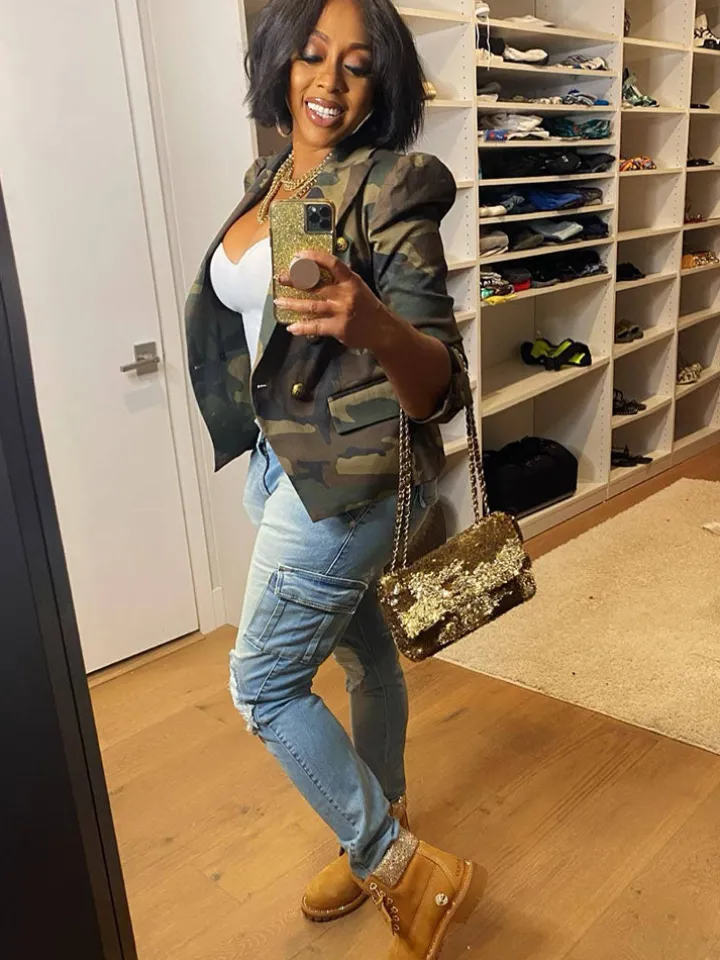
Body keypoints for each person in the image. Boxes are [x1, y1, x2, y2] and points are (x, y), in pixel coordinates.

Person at [185, 0, 486, 955]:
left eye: (356, 64)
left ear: (382, 81)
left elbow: (440, 385)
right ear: (279, 62)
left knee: (263, 682)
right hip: (282, 464)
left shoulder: (394, 185)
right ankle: (382, 821)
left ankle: (404, 867)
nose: (328, 80)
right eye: (311, 55)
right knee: (365, 659)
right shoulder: (270, 176)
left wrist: (375, 325)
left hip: (352, 483)